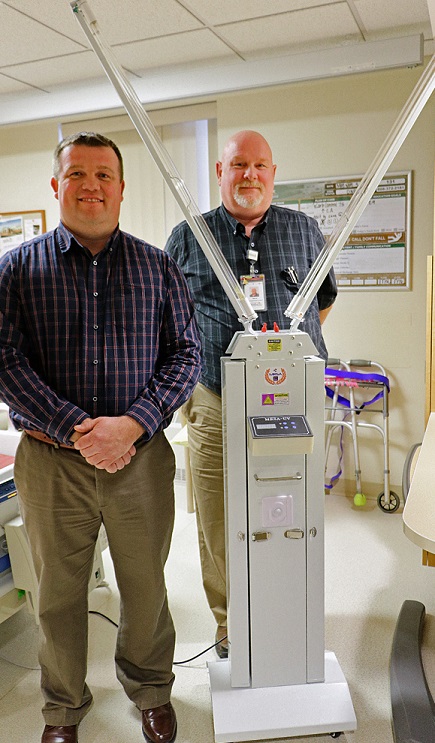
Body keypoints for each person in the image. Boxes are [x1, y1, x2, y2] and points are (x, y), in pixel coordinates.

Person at [0, 132, 201, 743]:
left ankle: (150, 688)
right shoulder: (16, 269)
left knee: (145, 584)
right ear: (57, 185)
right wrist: (75, 429)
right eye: (78, 174)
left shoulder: (156, 266)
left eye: (104, 175)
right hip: (50, 461)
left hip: (139, 460)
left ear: (120, 187)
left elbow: (186, 355)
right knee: (57, 593)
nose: (91, 186)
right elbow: (5, 359)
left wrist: (135, 423)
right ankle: (63, 706)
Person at [165, 129, 336, 658]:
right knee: (219, 516)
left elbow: (322, 302)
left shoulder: (304, 231)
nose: (250, 175)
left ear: (273, 172)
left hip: (294, 399)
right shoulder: (189, 237)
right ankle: (228, 620)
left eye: (260, 165)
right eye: (239, 165)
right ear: (220, 172)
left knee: (290, 506)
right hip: (216, 396)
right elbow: (169, 319)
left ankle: (289, 608)